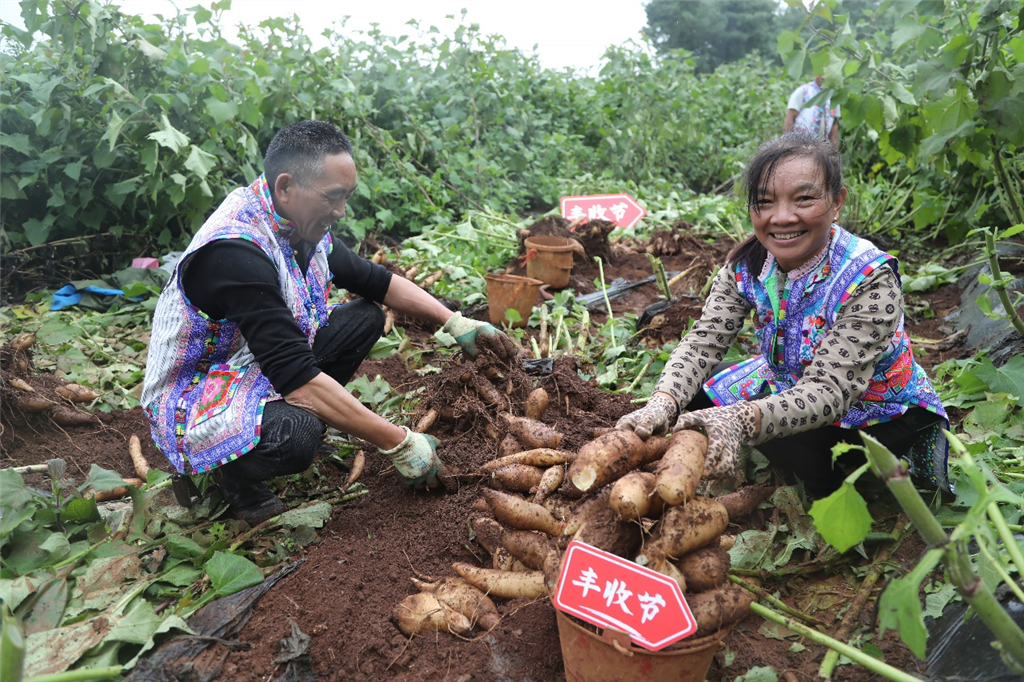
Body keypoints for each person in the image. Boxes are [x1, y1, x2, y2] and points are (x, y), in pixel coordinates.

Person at [141, 120, 517, 525]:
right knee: (297, 434)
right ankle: (232, 477)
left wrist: (456, 321)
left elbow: (377, 282)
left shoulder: (298, 222)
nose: (339, 212)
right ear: (286, 187)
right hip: (193, 396)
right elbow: (295, 374)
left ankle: (284, 420)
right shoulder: (235, 250)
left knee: (365, 317)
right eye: (333, 198)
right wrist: (400, 443)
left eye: (346, 198)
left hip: (250, 368)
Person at [616, 132, 948, 498]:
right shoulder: (747, 265)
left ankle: (833, 490)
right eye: (765, 202)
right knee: (694, 399)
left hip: (873, 407)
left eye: (804, 199)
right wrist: (664, 399)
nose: (783, 217)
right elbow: (703, 343)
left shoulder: (870, 278)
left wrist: (744, 418)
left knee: (796, 441)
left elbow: (830, 391)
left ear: (837, 202)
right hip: (788, 381)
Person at [784, 75, 840, 146]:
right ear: (815, 74)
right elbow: (790, 118)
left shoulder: (834, 95)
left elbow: (834, 125)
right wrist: (789, 145)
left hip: (821, 145)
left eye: (826, 74)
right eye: (820, 73)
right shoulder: (803, 91)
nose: (823, 77)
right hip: (800, 143)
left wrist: (834, 149)